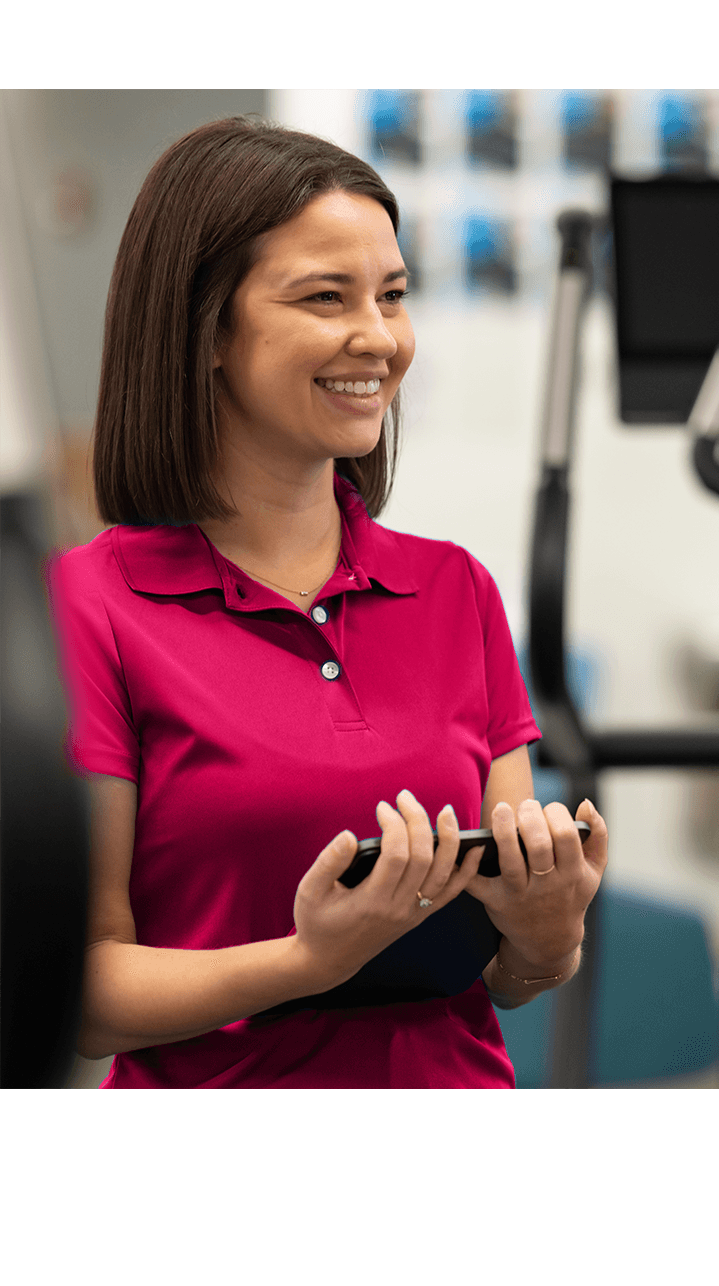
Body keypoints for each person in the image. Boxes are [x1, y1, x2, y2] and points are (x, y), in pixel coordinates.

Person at [48, 117, 606, 1088]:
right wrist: (309, 963)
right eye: (325, 297)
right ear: (207, 328)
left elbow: (515, 975)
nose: (380, 339)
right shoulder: (92, 607)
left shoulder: (455, 591)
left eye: (393, 295)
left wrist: (547, 936)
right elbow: (85, 990)